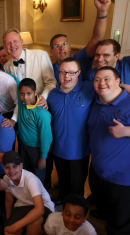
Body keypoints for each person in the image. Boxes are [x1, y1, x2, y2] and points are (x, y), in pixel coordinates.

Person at [87, 66, 130, 235]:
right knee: (102, 198)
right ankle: (106, 213)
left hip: (123, 174)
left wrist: (127, 131)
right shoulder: (97, 103)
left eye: (106, 79)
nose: (101, 83)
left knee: (122, 210)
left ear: (117, 82)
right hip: (99, 167)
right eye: (97, 80)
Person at [47, 58, 95, 203]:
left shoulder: (89, 89)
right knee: (62, 179)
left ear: (79, 73)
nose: (66, 76)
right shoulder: (52, 95)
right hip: (58, 148)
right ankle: (62, 199)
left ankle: (76, 208)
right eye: (62, 72)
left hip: (79, 151)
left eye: (71, 72)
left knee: (77, 186)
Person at [50, 0, 111, 84]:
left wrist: (102, 12)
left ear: (70, 47)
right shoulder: (50, 70)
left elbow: (97, 38)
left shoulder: (80, 58)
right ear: (51, 52)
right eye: (57, 46)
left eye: (65, 44)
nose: (62, 48)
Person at [2, 151, 54, 235]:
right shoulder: (6, 178)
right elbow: (9, 200)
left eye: (15, 166)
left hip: (44, 205)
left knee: (33, 222)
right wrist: (8, 220)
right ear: (3, 167)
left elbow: (40, 209)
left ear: (21, 166)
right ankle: (27, 226)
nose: (11, 170)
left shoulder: (31, 180)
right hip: (23, 204)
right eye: (7, 167)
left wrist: (16, 225)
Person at [3, 28, 56, 99]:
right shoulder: (6, 67)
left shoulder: (40, 55)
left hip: (42, 104)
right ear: (4, 47)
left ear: (21, 42)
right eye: (8, 43)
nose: (12, 45)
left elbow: (51, 82)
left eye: (15, 41)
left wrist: (42, 98)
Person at [17, 78, 52, 184]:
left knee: (38, 177)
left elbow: (46, 136)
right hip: (23, 146)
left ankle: (40, 198)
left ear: (36, 92)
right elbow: (14, 79)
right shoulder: (22, 102)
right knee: (25, 174)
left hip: (36, 149)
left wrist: (43, 157)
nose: (25, 97)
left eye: (29, 93)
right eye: (22, 94)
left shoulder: (42, 113)